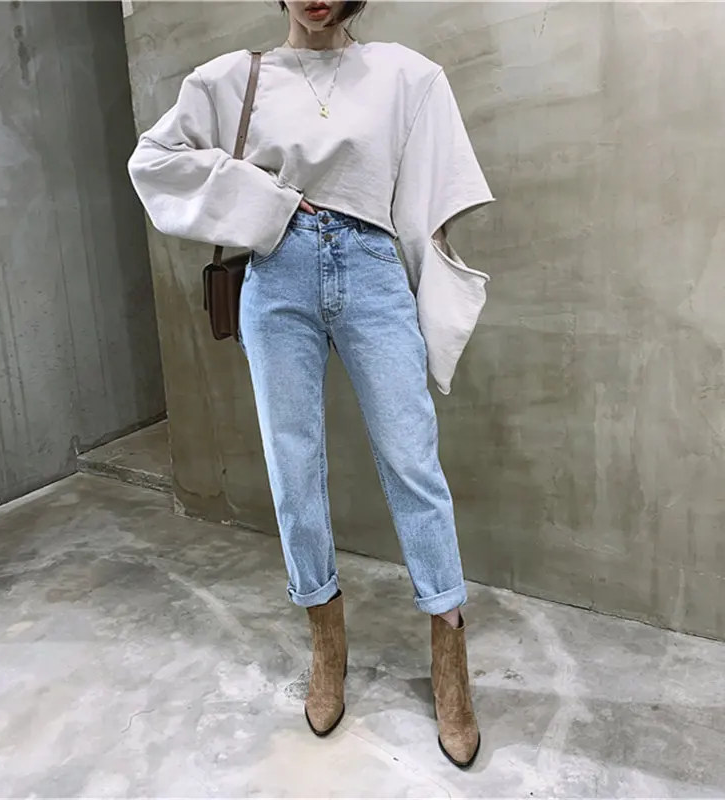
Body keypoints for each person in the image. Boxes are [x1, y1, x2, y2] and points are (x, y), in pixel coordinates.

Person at [128, 0, 494, 769]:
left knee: (412, 461)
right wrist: (265, 204)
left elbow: (430, 198)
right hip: (278, 278)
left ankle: (449, 652)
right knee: (293, 468)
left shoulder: (404, 75)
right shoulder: (236, 78)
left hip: (371, 269)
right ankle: (327, 640)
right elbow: (152, 161)